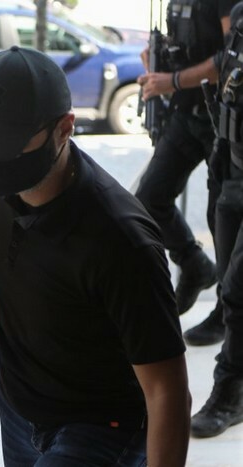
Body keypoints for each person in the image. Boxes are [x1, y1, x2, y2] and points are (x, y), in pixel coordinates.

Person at [0, 46, 191, 466]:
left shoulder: (120, 240)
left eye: (11, 144)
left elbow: (167, 391)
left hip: (99, 427)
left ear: (64, 129)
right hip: (19, 410)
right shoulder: (12, 185)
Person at [136, 0, 234, 345]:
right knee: (148, 199)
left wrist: (173, 80)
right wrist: (157, 60)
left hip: (222, 117)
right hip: (184, 113)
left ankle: (228, 311)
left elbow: (231, 59)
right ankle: (194, 265)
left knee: (221, 216)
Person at [189, 1, 243, 438]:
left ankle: (229, 392)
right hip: (234, 172)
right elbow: (228, 79)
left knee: (238, 288)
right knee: (230, 288)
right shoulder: (240, 16)